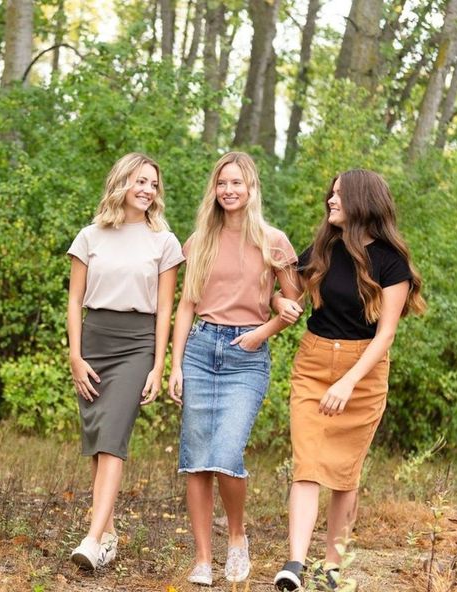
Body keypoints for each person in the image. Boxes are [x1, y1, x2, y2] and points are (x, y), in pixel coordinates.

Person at [273, 169, 425, 591]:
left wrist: (349, 383)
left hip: (364, 371)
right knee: (307, 464)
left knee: (343, 472)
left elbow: (387, 333)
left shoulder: (391, 262)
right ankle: (295, 564)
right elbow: (287, 293)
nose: (331, 201)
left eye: (339, 195)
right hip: (314, 363)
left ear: (362, 201)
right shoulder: (322, 248)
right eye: (331, 194)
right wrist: (278, 301)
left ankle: (331, 567)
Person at [168, 151, 300, 586]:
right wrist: (175, 366)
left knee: (226, 454)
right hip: (201, 349)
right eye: (222, 183)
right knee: (196, 461)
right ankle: (204, 558)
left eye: (237, 183)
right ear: (215, 188)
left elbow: (292, 304)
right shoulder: (199, 240)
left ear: (252, 188)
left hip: (247, 353)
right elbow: (185, 305)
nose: (229, 190)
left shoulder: (273, 241)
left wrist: (267, 326)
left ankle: (238, 538)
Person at [67, 152, 184, 570]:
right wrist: (75, 356)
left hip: (137, 345)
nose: (148, 190)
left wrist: (158, 364)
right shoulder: (89, 237)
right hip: (95, 340)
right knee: (99, 441)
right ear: (122, 182)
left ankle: (93, 537)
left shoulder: (164, 242)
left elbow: (166, 309)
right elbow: (75, 301)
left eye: (154, 184)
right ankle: (110, 532)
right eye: (141, 181)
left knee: (114, 438)